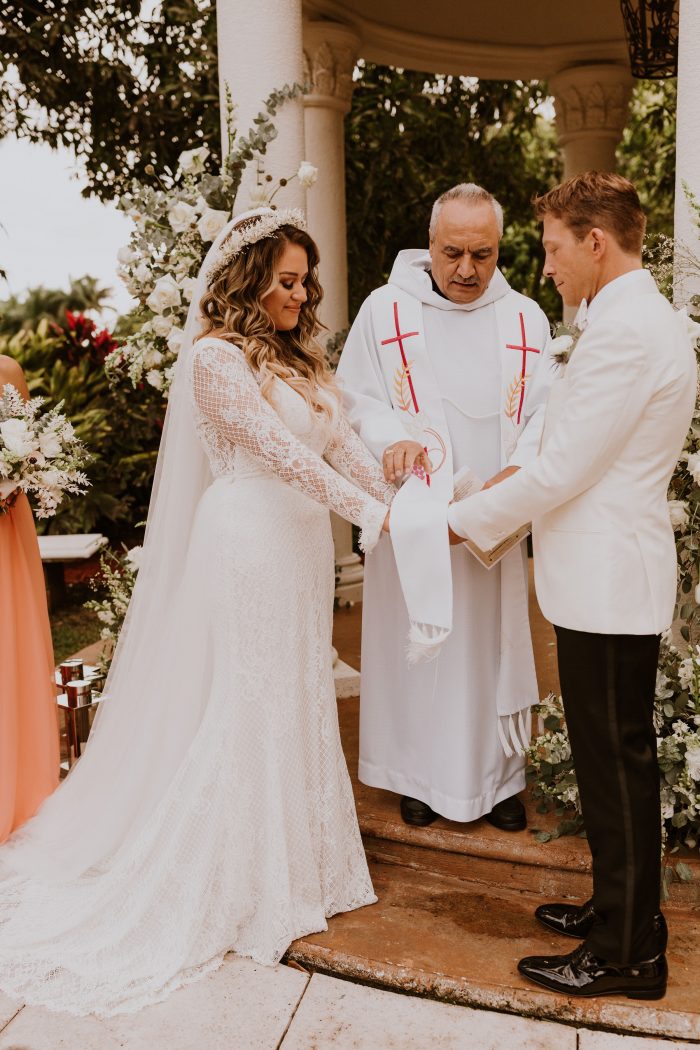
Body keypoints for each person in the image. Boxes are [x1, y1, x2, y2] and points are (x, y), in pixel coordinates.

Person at [0, 208, 396, 1017]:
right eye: (285, 280)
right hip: (247, 539)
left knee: (296, 693)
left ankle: (302, 866)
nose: (299, 292)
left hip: (298, 549)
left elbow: (343, 446)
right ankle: (243, 877)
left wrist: (415, 507)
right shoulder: (213, 361)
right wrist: (370, 514)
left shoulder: (306, 363)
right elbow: (281, 456)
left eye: (304, 280)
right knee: (250, 697)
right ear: (249, 280)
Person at [449, 172, 696, 1000]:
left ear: (595, 241)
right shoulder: (632, 319)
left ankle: (628, 954)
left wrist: (463, 520)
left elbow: (560, 467)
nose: (546, 266)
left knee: (615, 759)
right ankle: (624, 912)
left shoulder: (628, 332)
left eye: (554, 248)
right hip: (606, 571)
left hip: (607, 574)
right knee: (610, 756)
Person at [337, 183, 554, 831]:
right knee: (422, 647)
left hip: (492, 511)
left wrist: (513, 480)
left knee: (490, 646)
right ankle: (419, 776)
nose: (466, 270)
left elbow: (548, 410)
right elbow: (354, 400)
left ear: (499, 249)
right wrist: (392, 439)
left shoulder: (526, 319)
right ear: (428, 245)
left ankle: (497, 779)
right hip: (420, 516)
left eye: (482, 254)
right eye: (452, 252)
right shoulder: (384, 311)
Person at [0, 356, 60, 843]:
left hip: (5, 525)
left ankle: (18, 784)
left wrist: (12, 473)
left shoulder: (7, 371)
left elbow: (27, 451)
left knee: (10, 642)